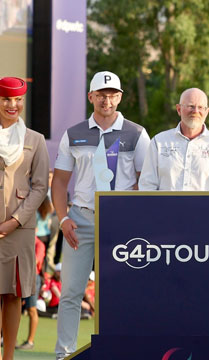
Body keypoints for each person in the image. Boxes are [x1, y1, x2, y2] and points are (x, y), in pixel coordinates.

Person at [52, 71, 150, 359]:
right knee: (70, 292)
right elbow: (59, 182)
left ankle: (117, 352)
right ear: (90, 96)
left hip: (121, 222)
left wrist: (130, 215)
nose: (107, 99)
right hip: (80, 220)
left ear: (119, 97)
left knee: (120, 294)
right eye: (101, 94)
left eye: (112, 94)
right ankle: (64, 354)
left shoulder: (137, 133)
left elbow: (146, 180)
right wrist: (63, 219)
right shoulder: (74, 133)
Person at [0, 77, 49, 360]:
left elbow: (40, 187)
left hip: (19, 229)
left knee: (14, 294)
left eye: (17, 100)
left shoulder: (35, 140)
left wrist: (15, 221)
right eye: (6, 99)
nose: (12, 105)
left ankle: (8, 357)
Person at [139, 88, 209, 191]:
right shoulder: (158, 142)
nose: (195, 111)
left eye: (200, 107)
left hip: (207, 208)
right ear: (179, 109)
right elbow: (147, 185)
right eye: (191, 106)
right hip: (167, 207)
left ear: (207, 112)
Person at [15, 236, 46, 350]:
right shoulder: (21, 240)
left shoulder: (39, 244)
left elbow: (35, 261)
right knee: (13, 306)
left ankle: (30, 341)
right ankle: (9, 338)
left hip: (32, 278)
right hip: (19, 275)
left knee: (32, 309)